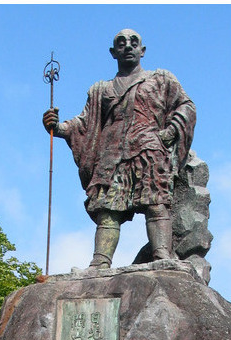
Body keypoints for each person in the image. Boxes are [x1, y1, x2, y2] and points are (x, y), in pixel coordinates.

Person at [43, 29, 196, 269]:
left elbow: (185, 106)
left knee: (156, 203)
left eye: (133, 43)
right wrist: (57, 127)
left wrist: (172, 130)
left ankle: (162, 255)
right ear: (113, 52)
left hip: (149, 149)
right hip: (112, 155)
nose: (127, 46)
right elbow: (83, 123)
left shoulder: (161, 79)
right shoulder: (101, 90)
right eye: (121, 43)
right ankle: (100, 262)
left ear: (142, 50)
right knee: (108, 211)